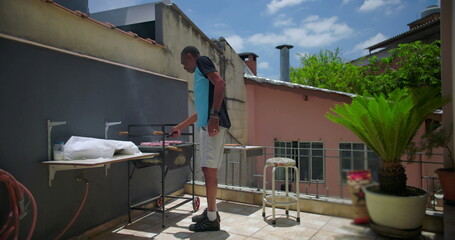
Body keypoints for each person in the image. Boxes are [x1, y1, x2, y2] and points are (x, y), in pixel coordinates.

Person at [169, 46, 231, 232]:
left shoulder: (202, 62)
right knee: (207, 170)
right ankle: (212, 212)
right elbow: (200, 112)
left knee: (209, 171)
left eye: (184, 63)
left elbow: (220, 83)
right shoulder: (200, 76)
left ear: (190, 56)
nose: (184, 67)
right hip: (207, 124)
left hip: (212, 125)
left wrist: (214, 115)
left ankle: (212, 218)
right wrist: (180, 126)